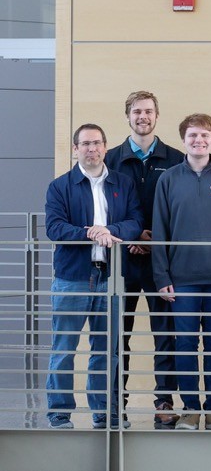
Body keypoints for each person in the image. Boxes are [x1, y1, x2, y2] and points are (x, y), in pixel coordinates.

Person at [151, 113, 211, 431]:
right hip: (182, 281)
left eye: (205, 135)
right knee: (185, 345)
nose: (199, 140)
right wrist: (162, 277)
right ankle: (191, 408)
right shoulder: (168, 179)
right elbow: (160, 230)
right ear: (183, 140)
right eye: (193, 135)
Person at [45, 124, 143, 429]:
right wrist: (90, 233)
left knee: (107, 349)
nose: (92, 149)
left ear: (105, 146)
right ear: (75, 149)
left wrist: (110, 231)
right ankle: (59, 413)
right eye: (85, 144)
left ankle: (105, 413)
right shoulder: (60, 186)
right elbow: (55, 228)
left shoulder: (123, 184)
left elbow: (136, 221)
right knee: (64, 348)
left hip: (111, 278)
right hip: (73, 277)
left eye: (97, 143)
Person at [103, 90, 183, 427]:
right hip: (120, 260)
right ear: (128, 116)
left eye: (148, 111)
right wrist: (132, 236)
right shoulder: (109, 159)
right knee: (117, 335)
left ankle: (164, 402)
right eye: (137, 112)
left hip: (161, 262)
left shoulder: (177, 158)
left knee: (165, 334)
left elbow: (182, 212)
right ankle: (114, 406)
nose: (143, 117)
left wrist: (156, 241)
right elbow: (101, 208)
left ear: (157, 116)